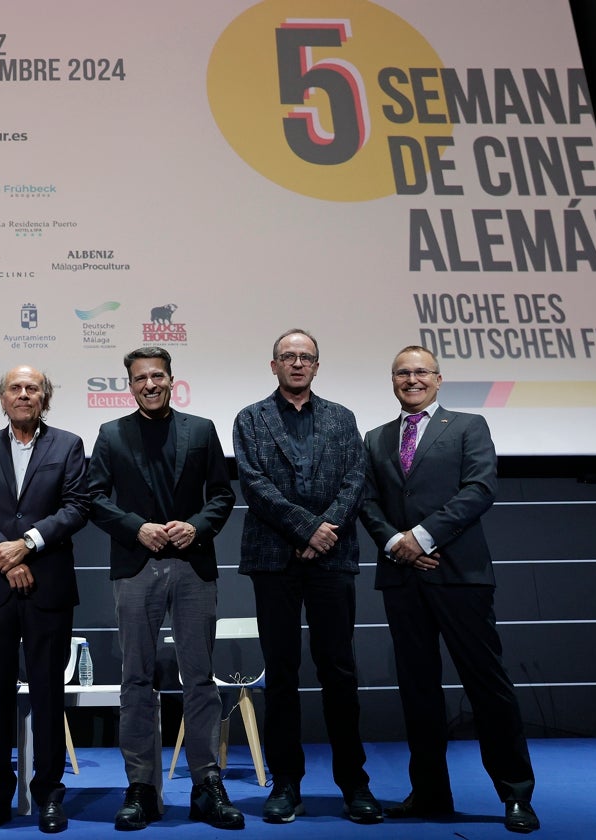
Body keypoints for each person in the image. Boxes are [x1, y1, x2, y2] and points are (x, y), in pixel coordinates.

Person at [359, 345, 539, 834]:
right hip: (402, 577)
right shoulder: (375, 438)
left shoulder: (468, 426)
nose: (411, 379)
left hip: (460, 576)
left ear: (439, 379)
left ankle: (516, 794)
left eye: (421, 372)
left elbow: (479, 489)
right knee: (418, 691)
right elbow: (366, 501)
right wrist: (397, 542)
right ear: (392, 381)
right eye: (402, 373)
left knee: (488, 686)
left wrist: (421, 535)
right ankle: (430, 792)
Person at [87, 346, 242, 831]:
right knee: (136, 680)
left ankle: (206, 784)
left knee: (199, 680)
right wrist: (137, 527)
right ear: (129, 386)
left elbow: (221, 494)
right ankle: (141, 788)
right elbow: (91, 497)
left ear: (172, 380)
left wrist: (196, 526)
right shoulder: (111, 435)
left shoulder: (201, 430)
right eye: (139, 378)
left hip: (193, 564)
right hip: (137, 566)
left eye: (157, 376)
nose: (149, 384)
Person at [232, 329, 382, 825]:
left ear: (317, 366)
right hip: (274, 559)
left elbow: (355, 480)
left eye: (306, 357)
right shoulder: (250, 418)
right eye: (288, 357)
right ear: (273, 365)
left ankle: (354, 784)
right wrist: (306, 527)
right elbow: (254, 484)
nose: (297, 364)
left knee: (339, 670)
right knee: (282, 674)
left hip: (332, 558)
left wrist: (323, 532)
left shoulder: (343, 418)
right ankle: (286, 783)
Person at [0, 365, 90, 834]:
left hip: (48, 587)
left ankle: (50, 797)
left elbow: (77, 507)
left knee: (49, 694)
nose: (24, 394)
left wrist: (29, 543)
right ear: (2, 397)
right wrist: (8, 558)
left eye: (33, 388)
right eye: (15, 388)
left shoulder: (68, 445)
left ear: (45, 397)